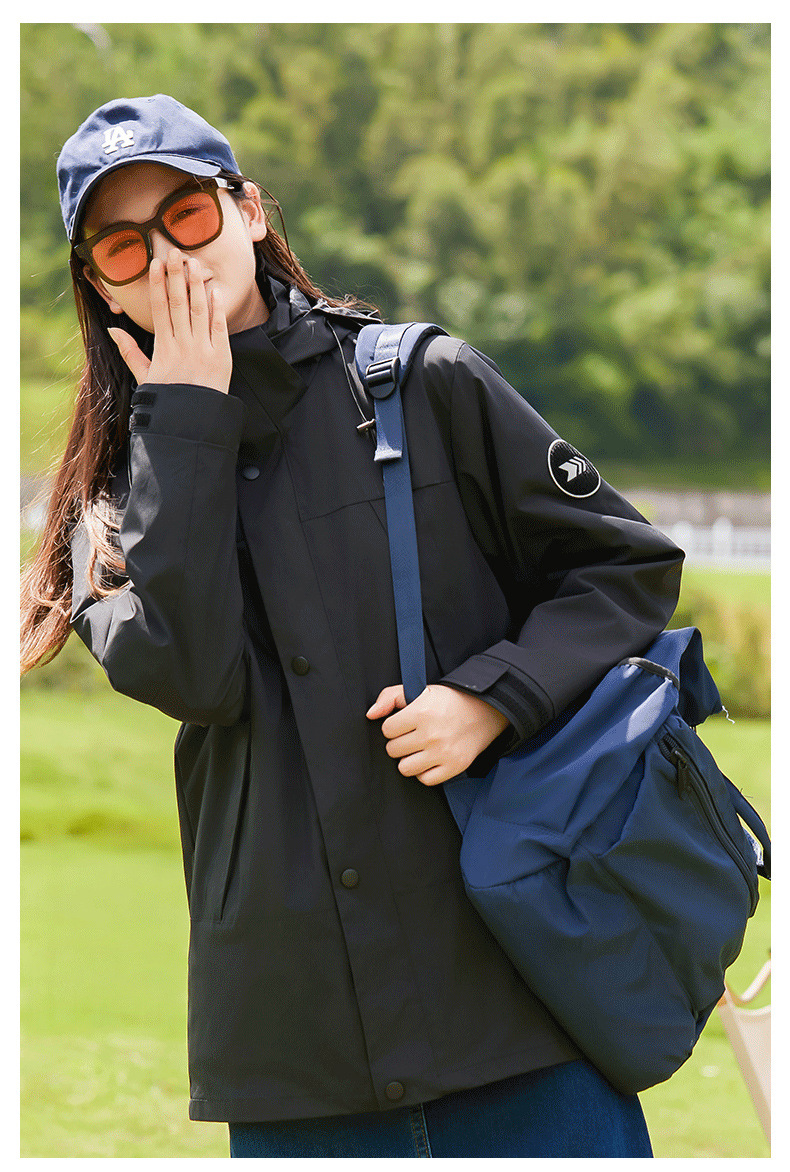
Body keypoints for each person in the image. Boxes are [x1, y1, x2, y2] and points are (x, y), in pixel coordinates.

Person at [21, 94, 684, 1158]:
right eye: (123, 244)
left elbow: (623, 566)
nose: (168, 258)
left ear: (246, 211)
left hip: (515, 1003)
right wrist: (185, 426)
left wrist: (490, 697)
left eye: (187, 214)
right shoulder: (107, 505)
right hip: (293, 1052)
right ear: (100, 284)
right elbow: (195, 677)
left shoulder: (420, 384)